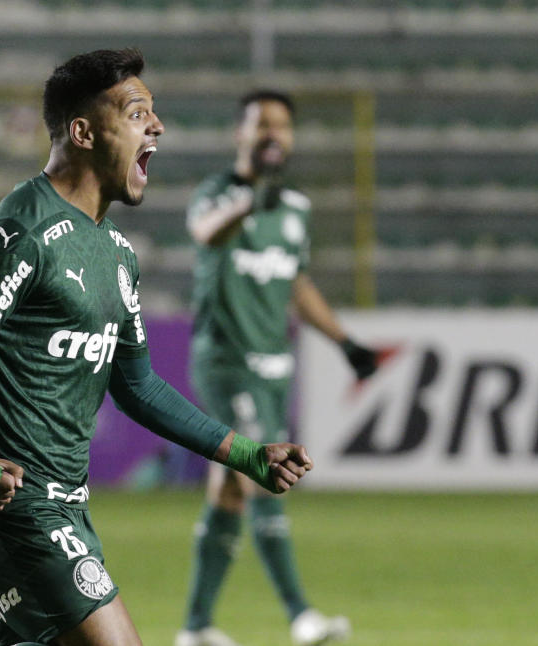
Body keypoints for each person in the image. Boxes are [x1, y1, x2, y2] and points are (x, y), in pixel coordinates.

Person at [0, 50, 316, 646]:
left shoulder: (116, 253)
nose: (156, 127)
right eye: (136, 113)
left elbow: (137, 386)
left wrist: (246, 455)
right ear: (82, 132)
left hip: (64, 505)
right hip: (12, 502)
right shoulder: (23, 230)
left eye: (153, 114)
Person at [175, 90, 379, 646]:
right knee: (263, 471)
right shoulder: (217, 194)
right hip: (226, 361)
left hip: (273, 366)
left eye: (283, 126)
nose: (273, 134)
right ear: (239, 134)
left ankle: (195, 628)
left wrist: (345, 342)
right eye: (262, 123)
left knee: (230, 488)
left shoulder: (295, 208)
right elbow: (205, 232)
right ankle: (301, 616)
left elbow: (297, 283)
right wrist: (249, 203)